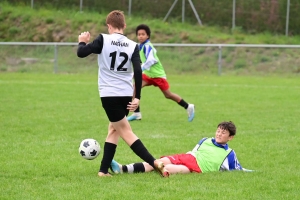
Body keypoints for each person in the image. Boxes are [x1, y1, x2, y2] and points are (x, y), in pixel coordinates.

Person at [77, 10, 168, 177]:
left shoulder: (103, 39)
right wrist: (137, 97)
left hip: (109, 95)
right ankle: (103, 171)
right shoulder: (133, 45)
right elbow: (138, 71)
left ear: (109, 26)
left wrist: (82, 42)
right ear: (124, 26)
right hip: (126, 95)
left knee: (125, 131)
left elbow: (81, 53)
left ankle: (154, 163)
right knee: (114, 129)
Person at [110, 121, 253, 176]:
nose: (219, 134)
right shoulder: (205, 140)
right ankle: (122, 169)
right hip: (187, 158)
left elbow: (239, 169)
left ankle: (157, 171)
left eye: (223, 133)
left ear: (230, 137)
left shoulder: (229, 153)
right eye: (218, 131)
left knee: (168, 169)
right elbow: (193, 152)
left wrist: (254, 172)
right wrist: (181, 159)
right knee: (157, 162)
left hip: (197, 169)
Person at [127, 24, 195, 122]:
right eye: (139, 34)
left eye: (143, 34)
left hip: (158, 75)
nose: (140, 36)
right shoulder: (140, 46)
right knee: (135, 87)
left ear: (148, 36)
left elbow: (151, 60)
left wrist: (140, 69)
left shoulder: (147, 46)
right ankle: (137, 113)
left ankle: (188, 106)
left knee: (168, 95)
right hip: (149, 74)